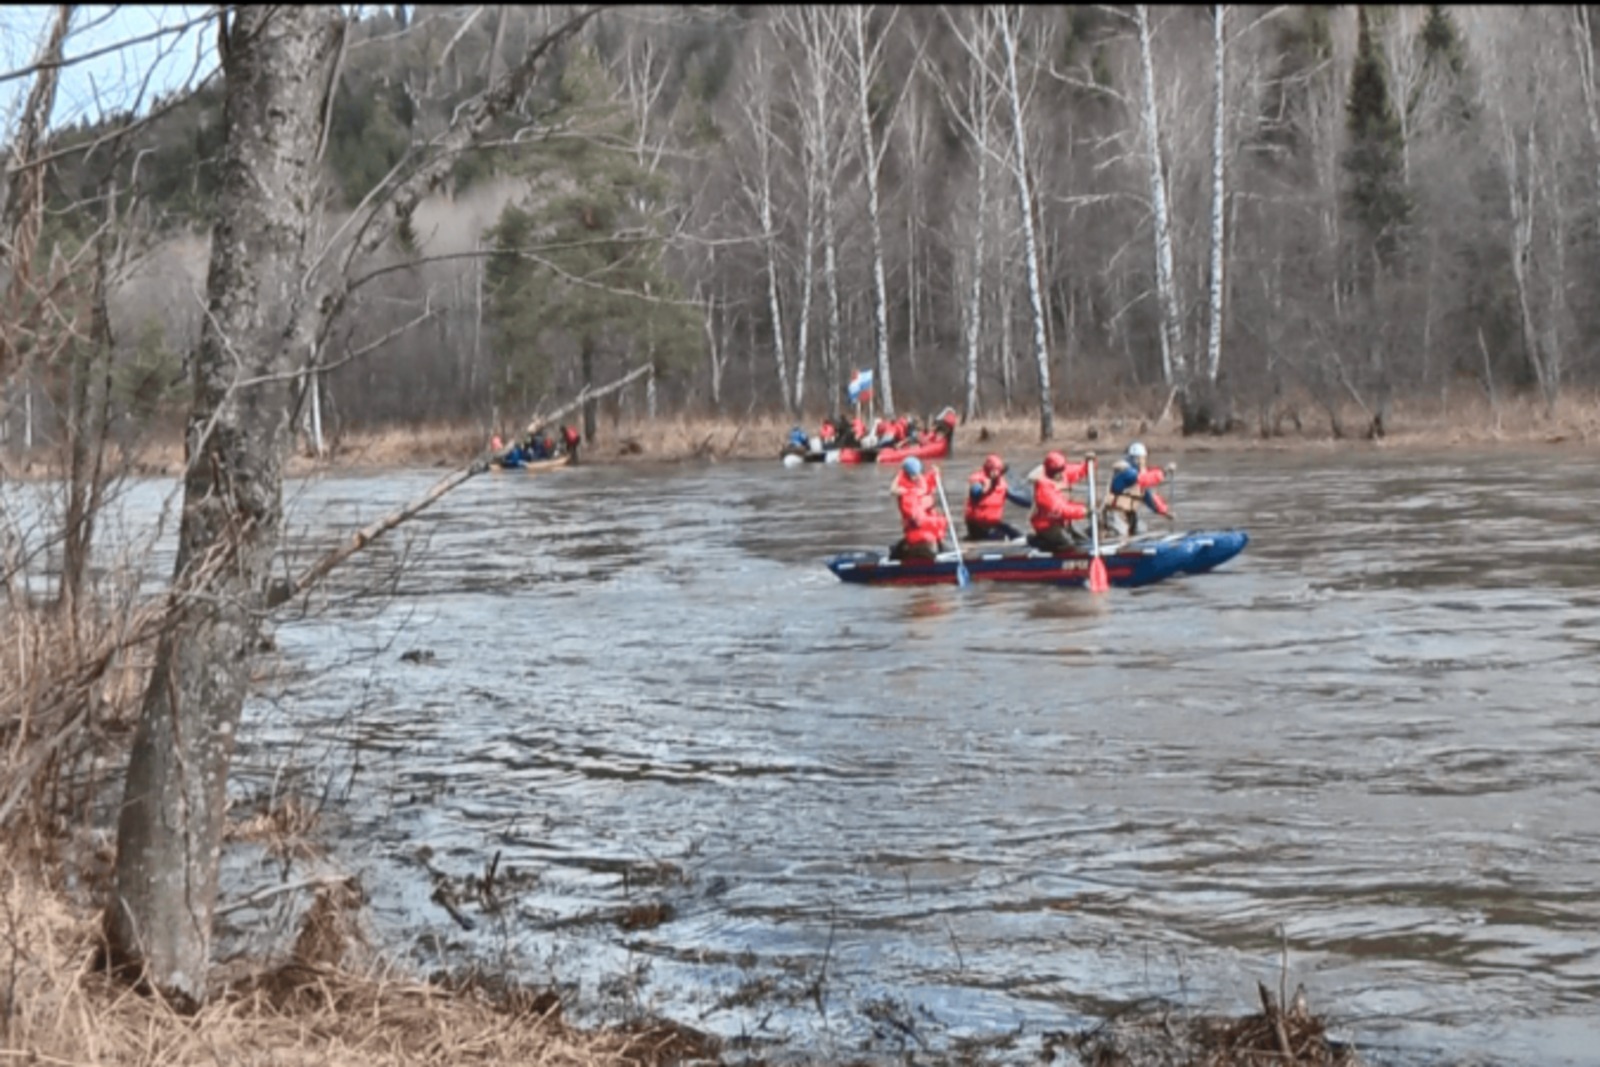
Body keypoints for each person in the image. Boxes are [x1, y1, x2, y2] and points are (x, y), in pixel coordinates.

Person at [1101, 441, 1174, 539]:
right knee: (1120, 534)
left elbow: (1149, 498)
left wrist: (1165, 512)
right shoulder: (1126, 472)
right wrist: (1164, 472)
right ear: (1133, 459)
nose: (1142, 462)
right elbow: (1145, 478)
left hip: (1131, 513)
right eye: (1140, 458)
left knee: (1141, 530)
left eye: (1143, 458)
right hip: (1116, 513)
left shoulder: (1140, 476)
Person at [1027, 450, 1091, 552]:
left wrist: (1089, 463)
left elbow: (1079, 470)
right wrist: (1083, 511)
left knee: (1084, 541)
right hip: (1046, 524)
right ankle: (1043, 545)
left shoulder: (1062, 473)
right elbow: (1060, 509)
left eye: (1061, 470)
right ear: (1049, 470)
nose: (1060, 474)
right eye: (1056, 472)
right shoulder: (1043, 486)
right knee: (1068, 544)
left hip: (1062, 522)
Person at [889, 456, 949, 561]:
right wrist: (940, 521)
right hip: (918, 532)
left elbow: (927, 484)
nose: (916, 477)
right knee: (929, 543)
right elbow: (916, 518)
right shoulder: (906, 492)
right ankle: (900, 552)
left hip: (929, 530)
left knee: (941, 544)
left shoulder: (920, 480)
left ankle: (898, 549)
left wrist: (935, 475)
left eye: (917, 474)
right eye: (913, 475)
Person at [964, 453, 1031, 542]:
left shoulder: (1002, 484)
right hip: (977, 526)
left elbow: (1017, 498)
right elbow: (974, 493)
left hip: (994, 524)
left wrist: (1035, 504)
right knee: (999, 537)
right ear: (987, 469)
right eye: (992, 470)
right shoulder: (978, 480)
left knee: (1019, 537)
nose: (994, 473)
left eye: (997, 470)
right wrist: (985, 489)